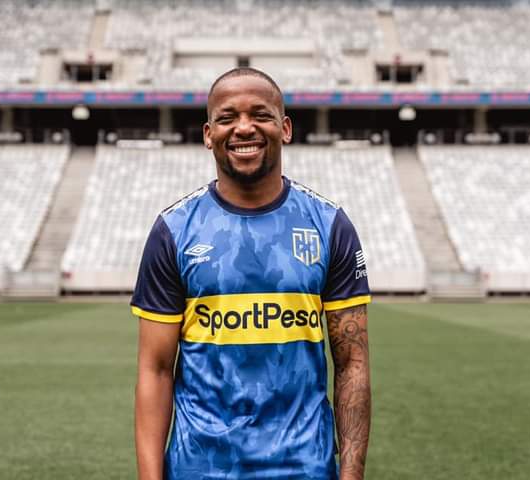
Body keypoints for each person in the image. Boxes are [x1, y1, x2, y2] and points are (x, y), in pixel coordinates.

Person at [132, 67, 371, 480]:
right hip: (201, 470)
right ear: (209, 134)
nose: (244, 128)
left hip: (304, 469)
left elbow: (352, 364)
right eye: (227, 118)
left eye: (260, 115)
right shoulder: (173, 230)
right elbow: (155, 370)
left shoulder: (330, 225)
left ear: (285, 128)